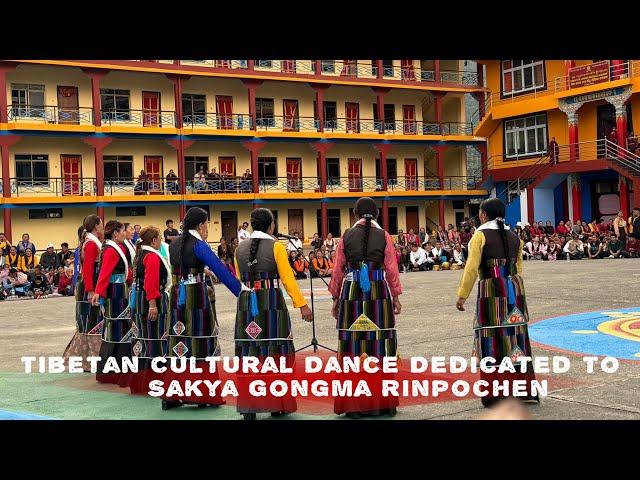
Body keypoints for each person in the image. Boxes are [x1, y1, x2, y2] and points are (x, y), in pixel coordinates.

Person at [456, 197, 539, 408]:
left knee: (492, 338)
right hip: (515, 289)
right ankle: (523, 390)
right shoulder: (514, 237)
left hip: (492, 290)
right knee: (517, 339)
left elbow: (472, 268)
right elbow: (518, 269)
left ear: (483, 214)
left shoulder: (479, 236)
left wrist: (462, 295)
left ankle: (496, 393)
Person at [233, 208, 312, 419]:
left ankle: (249, 405)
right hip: (271, 303)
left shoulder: (239, 249)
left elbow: (239, 277)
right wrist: (302, 305)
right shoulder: (276, 246)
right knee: (276, 349)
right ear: (271, 226)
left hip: (247, 304)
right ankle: (277, 403)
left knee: (250, 351)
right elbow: (287, 279)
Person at [163, 207, 245, 410]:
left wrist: (202, 269)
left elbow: (182, 267)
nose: (207, 227)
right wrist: (241, 291)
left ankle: (172, 394)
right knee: (200, 343)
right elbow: (220, 268)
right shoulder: (199, 245)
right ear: (200, 225)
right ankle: (202, 395)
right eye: (207, 223)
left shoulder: (174, 244)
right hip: (196, 297)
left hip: (177, 296)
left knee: (179, 342)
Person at [328, 197, 402, 418]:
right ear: (377, 215)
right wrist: (396, 296)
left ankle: (354, 406)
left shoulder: (346, 236)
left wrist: (335, 298)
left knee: (353, 346)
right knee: (381, 347)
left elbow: (338, 270)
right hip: (378, 292)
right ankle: (384, 404)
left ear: (355, 214)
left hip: (351, 293)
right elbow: (391, 269)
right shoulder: (385, 236)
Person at [129, 226, 172, 395]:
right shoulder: (152, 257)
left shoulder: (140, 254)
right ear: (154, 240)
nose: (161, 241)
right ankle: (155, 381)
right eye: (160, 238)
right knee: (155, 337)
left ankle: (140, 381)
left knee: (141, 338)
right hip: (151, 301)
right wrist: (153, 304)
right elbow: (151, 282)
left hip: (140, 300)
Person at [91, 220, 134, 386]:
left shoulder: (115, 248)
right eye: (123, 230)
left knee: (119, 331)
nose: (125, 233)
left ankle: (111, 371)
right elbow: (105, 273)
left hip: (120, 291)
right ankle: (116, 372)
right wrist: (99, 292)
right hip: (115, 294)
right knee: (119, 332)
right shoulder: (110, 250)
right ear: (115, 233)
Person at [62, 216, 104, 371]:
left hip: (86, 285)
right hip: (88, 286)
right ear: (95, 226)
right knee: (90, 323)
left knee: (87, 323)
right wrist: (91, 290)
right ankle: (88, 361)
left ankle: (85, 360)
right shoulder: (92, 244)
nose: (102, 225)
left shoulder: (89, 241)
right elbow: (88, 269)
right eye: (100, 223)